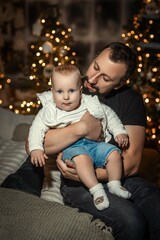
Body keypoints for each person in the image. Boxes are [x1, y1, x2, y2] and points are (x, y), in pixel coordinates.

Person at [1, 42, 160, 240]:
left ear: (118, 84)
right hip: (74, 178)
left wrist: (92, 174)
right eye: (95, 66)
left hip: (113, 171)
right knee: (131, 221)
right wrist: (83, 128)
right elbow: (35, 143)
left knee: (155, 202)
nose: (92, 79)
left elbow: (133, 162)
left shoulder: (130, 100)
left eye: (105, 78)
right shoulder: (70, 84)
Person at [28, 64, 131, 211]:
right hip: (72, 148)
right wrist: (36, 148)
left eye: (71, 90)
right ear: (52, 93)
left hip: (94, 144)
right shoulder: (49, 110)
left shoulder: (89, 103)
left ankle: (115, 185)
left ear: (80, 91)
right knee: (82, 159)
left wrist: (119, 132)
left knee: (114, 153)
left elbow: (109, 114)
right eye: (59, 91)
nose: (66, 96)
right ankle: (96, 191)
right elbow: (36, 129)